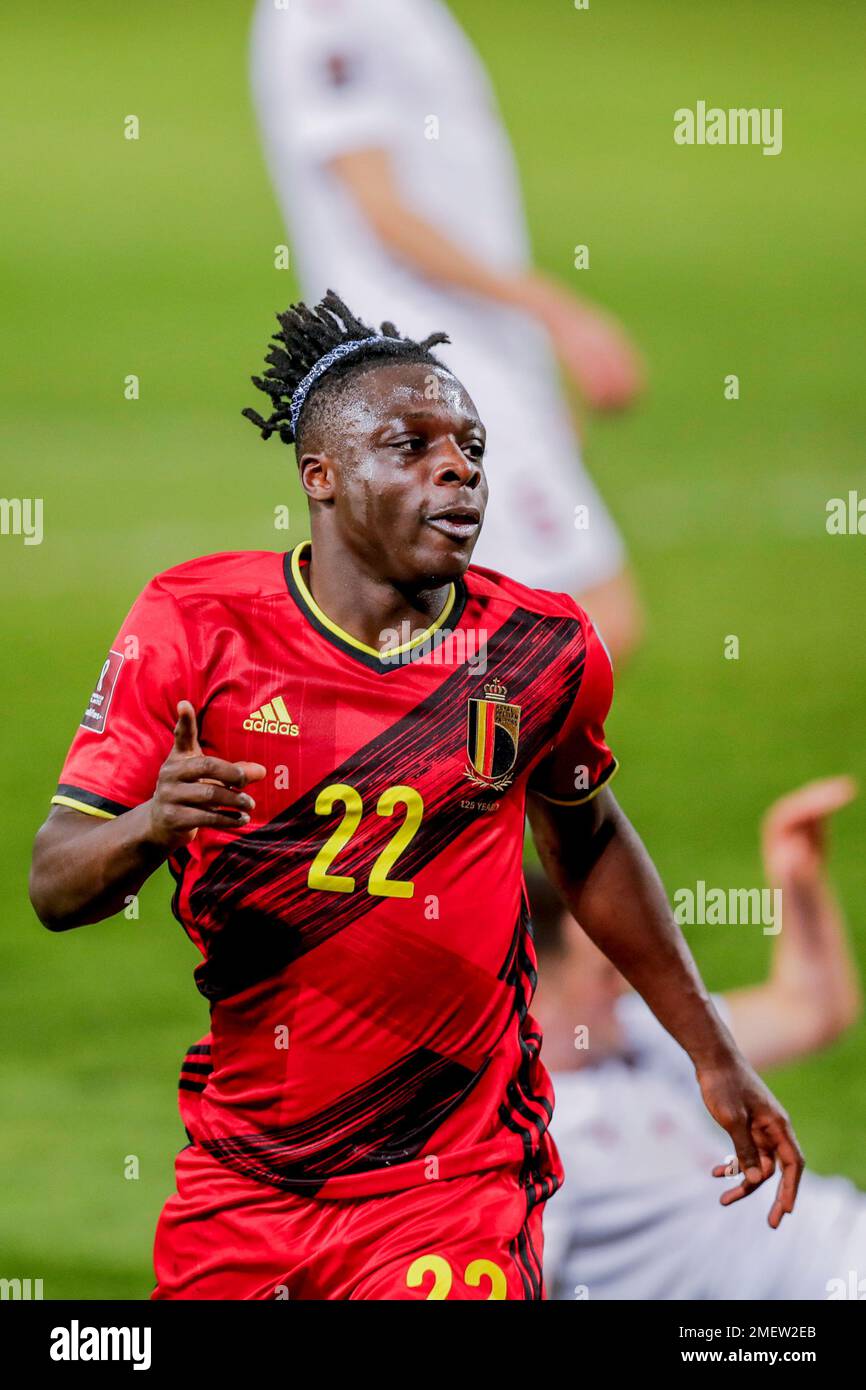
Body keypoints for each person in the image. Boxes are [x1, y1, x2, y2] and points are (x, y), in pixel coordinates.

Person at [31, 292, 801, 1301]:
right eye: (413, 446)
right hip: (247, 1179)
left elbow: (589, 841)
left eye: (470, 446)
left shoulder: (540, 650)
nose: (459, 468)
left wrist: (710, 1050)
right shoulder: (195, 624)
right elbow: (55, 884)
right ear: (322, 477)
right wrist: (149, 825)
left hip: (457, 1182)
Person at [249, 0, 644, 662]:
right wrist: (556, 311)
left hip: (472, 350)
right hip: (422, 358)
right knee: (582, 622)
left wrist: (528, 364)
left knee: (466, 637)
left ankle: (364, 759)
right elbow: (383, 212)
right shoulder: (323, 13)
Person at [532, 777, 862, 1301]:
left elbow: (811, 1012)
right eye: (602, 974)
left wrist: (795, 880)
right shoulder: (527, 1143)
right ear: (536, 997)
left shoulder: (631, 1036)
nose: (624, 982)